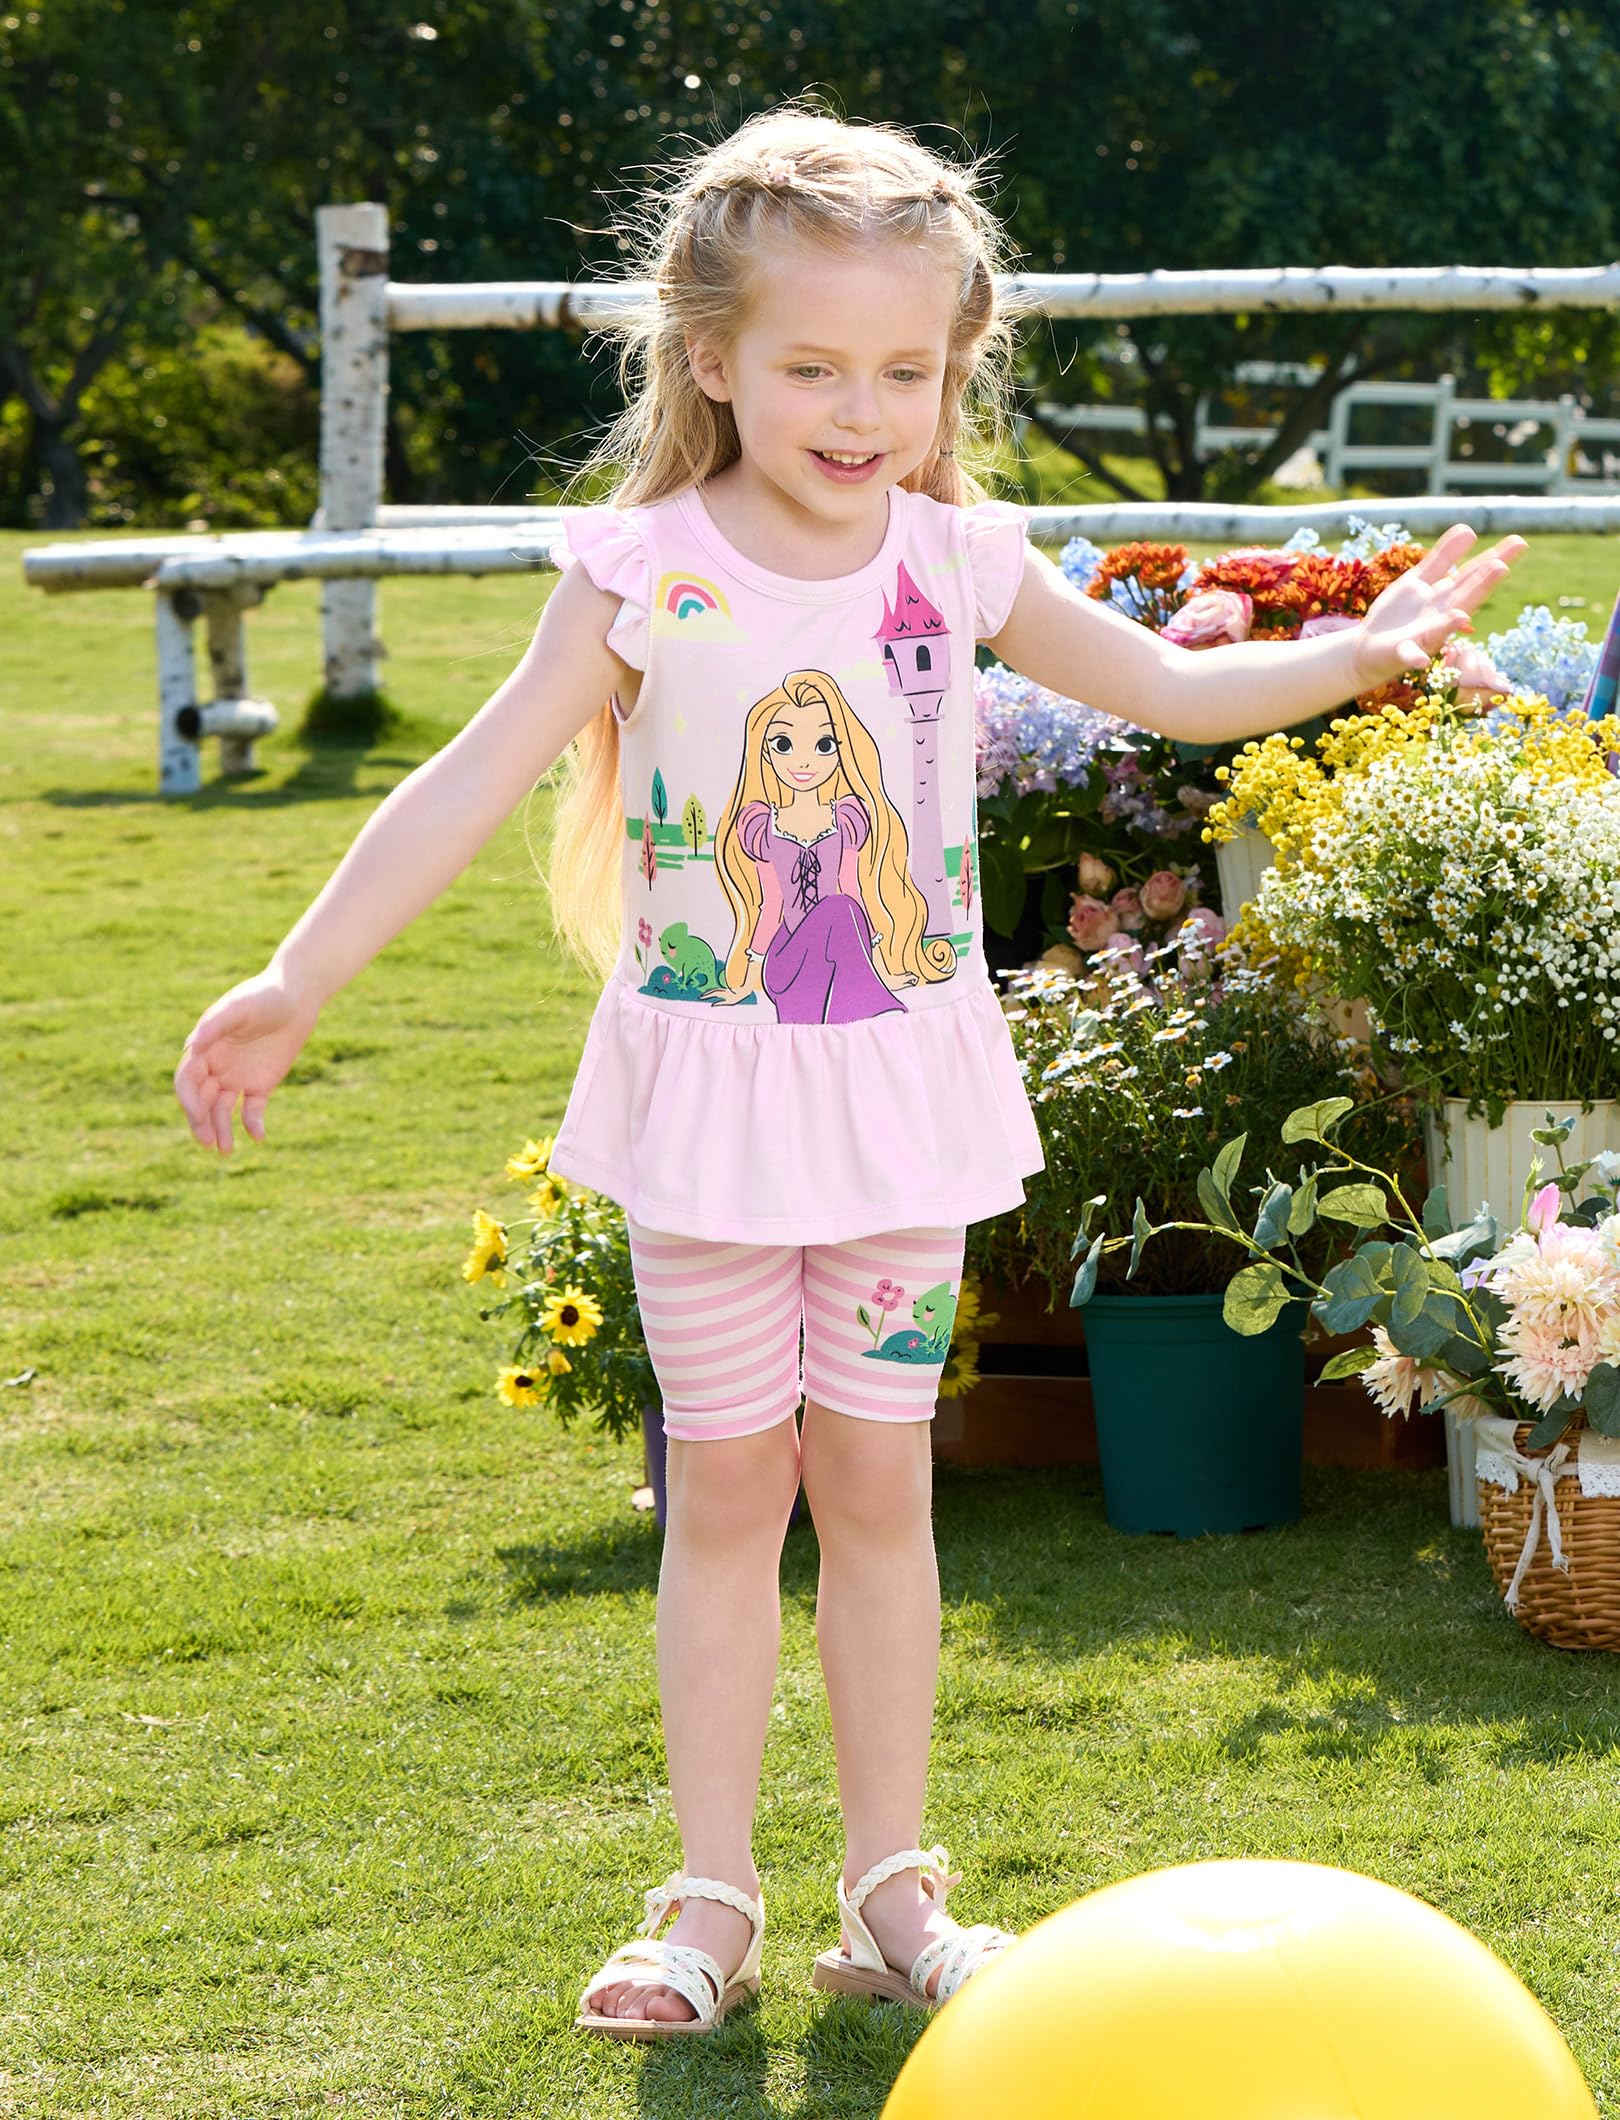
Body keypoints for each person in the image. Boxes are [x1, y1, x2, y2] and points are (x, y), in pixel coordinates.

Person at [172, 102, 1526, 2042]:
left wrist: (1361, 654)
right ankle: (707, 1899)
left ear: (956, 368)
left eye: (907, 367)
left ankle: (896, 1893)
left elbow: (1168, 687)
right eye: (814, 365)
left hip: (900, 1111)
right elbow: (469, 777)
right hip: (707, 1122)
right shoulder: (642, 568)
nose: (863, 408)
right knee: (730, 1492)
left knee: (880, 1487)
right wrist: (297, 975)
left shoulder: (957, 558)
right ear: (713, 358)